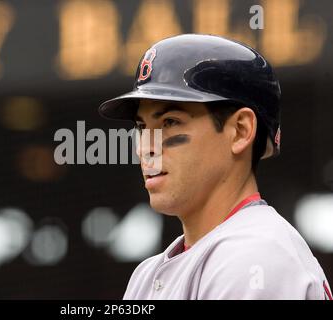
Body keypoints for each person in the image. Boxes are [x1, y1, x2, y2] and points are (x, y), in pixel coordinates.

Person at [99, 34, 331, 300]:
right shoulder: (147, 275)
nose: (145, 148)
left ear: (240, 131)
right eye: (142, 128)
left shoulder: (256, 256)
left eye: (170, 122)